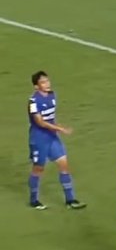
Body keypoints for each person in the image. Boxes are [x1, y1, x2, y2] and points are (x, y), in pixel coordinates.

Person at [27, 70, 86, 210]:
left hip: (52, 137)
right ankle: (34, 200)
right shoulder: (33, 102)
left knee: (64, 164)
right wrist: (60, 129)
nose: (47, 84)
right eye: (43, 82)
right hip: (39, 139)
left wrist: (58, 126)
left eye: (47, 81)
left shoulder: (52, 95)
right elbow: (40, 122)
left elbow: (50, 118)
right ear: (36, 86)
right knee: (38, 169)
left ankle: (70, 200)